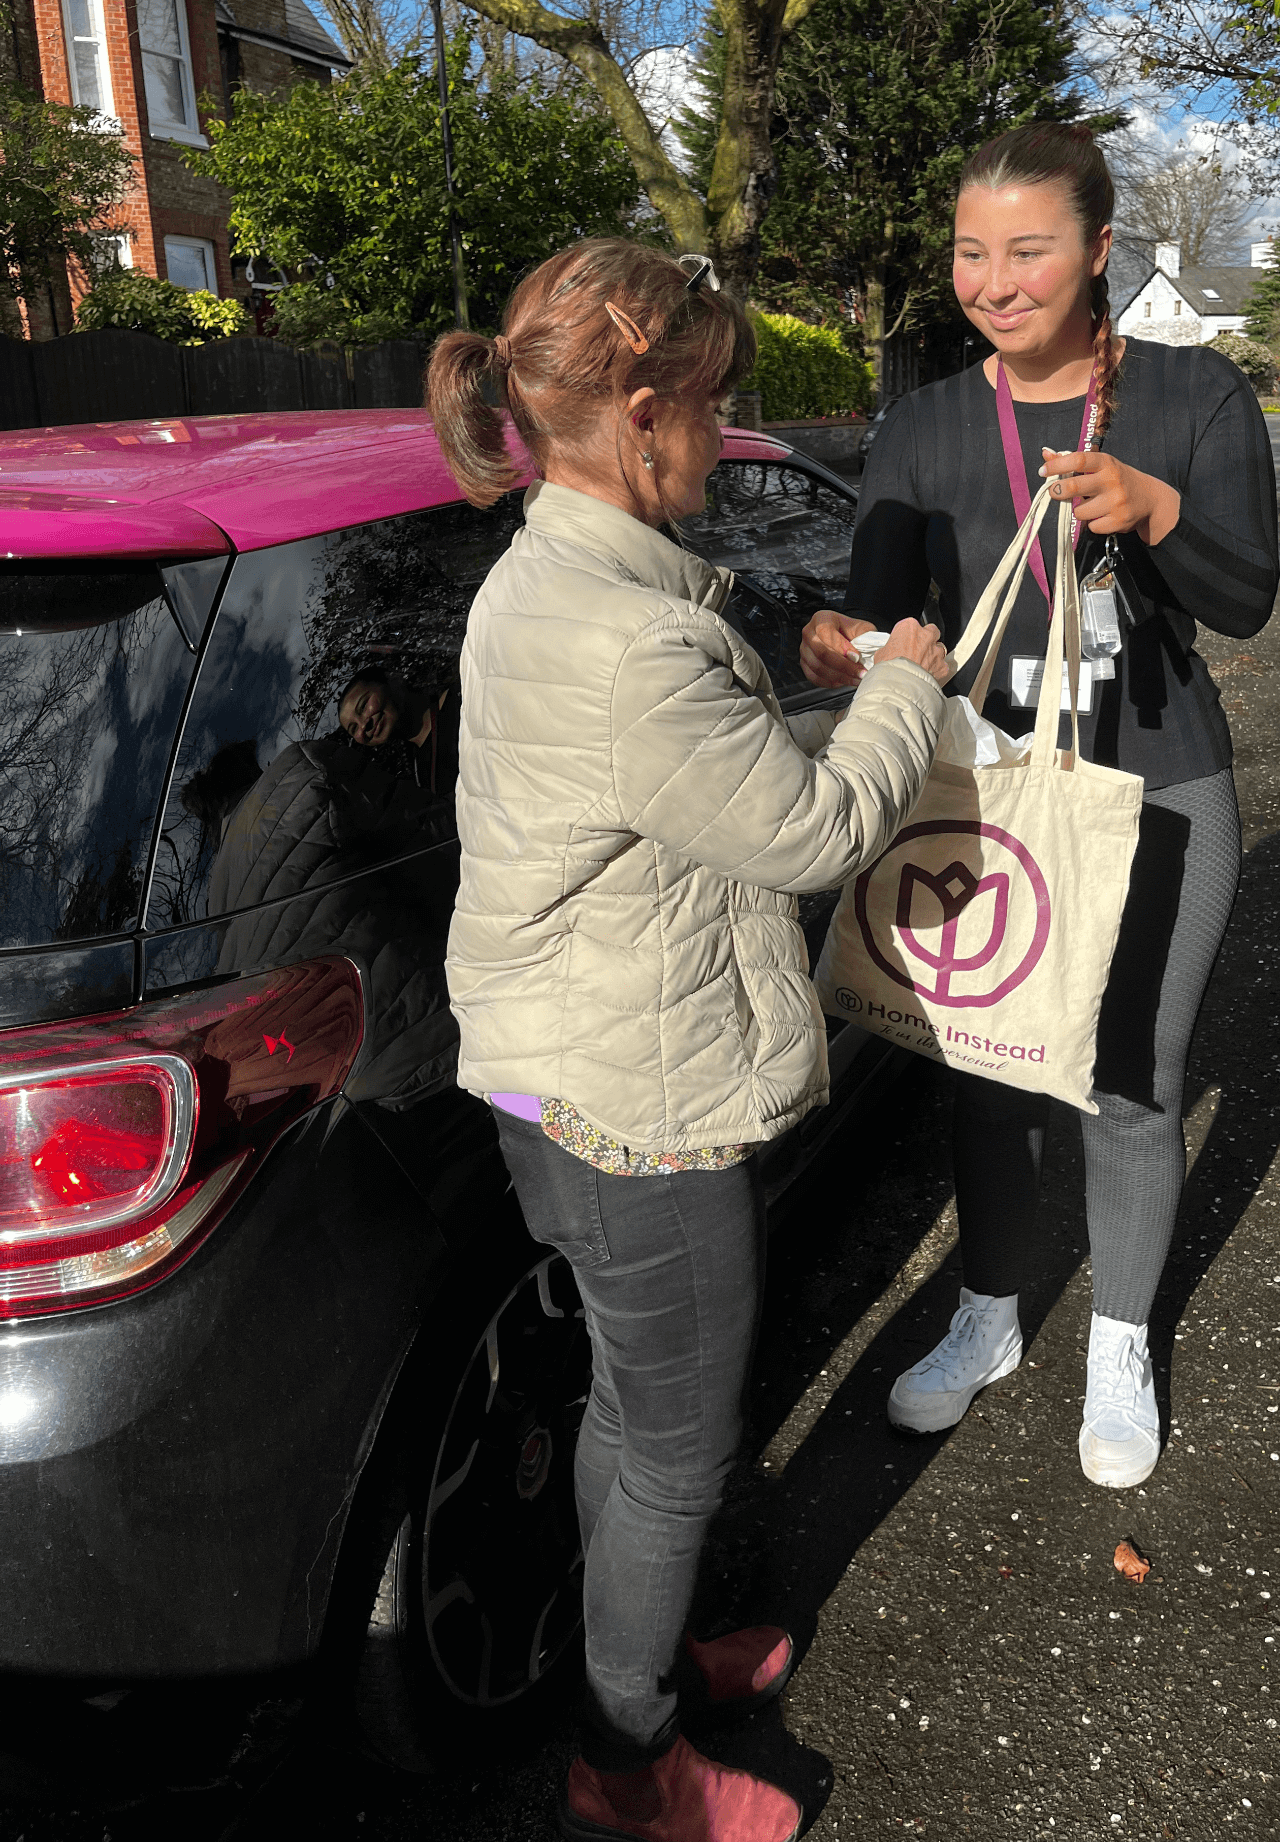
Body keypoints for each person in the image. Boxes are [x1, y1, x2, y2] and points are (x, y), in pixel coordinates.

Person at [425, 238, 950, 1842]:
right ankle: (624, 1762)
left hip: (544, 1070)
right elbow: (809, 836)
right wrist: (904, 690)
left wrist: (807, 687)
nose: (727, 436)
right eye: (714, 406)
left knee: (625, 1410)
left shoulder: (556, 572)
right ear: (640, 409)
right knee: (673, 1450)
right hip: (634, 1101)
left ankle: (631, 1660)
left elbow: (683, 788)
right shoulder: (630, 635)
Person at [801, 122, 1279, 1489]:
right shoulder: (927, 423)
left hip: (1163, 787)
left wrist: (1156, 511)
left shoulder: (1193, 398)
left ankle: (1119, 1338)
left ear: (1097, 251)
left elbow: (1248, 604)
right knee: (981, 1068)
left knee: (1133, 1084)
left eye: (1029, 249)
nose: (994, 281)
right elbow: (886, 618)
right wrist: (839, 645)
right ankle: (992, 1312)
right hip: (989, 794)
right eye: (971, 251)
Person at [338, 665, 461, 795]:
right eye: (354, 728)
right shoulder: (420, 779)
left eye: (363, 705)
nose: (363, 725)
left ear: (392, 679)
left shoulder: (462, 699)